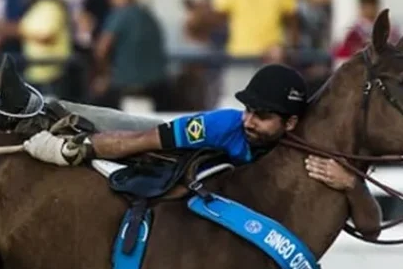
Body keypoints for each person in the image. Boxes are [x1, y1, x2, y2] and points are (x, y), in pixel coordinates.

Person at [19, 64, 380, 232]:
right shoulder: (227, 124)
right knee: (134, 128)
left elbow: (370, 227)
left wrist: (351, 184)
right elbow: (139, 142)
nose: (249, 121)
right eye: (249, 110)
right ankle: (46, 114)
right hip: (193, 149)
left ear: (290, 124)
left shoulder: (312, 155)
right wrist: (80, 151)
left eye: (262, 116)